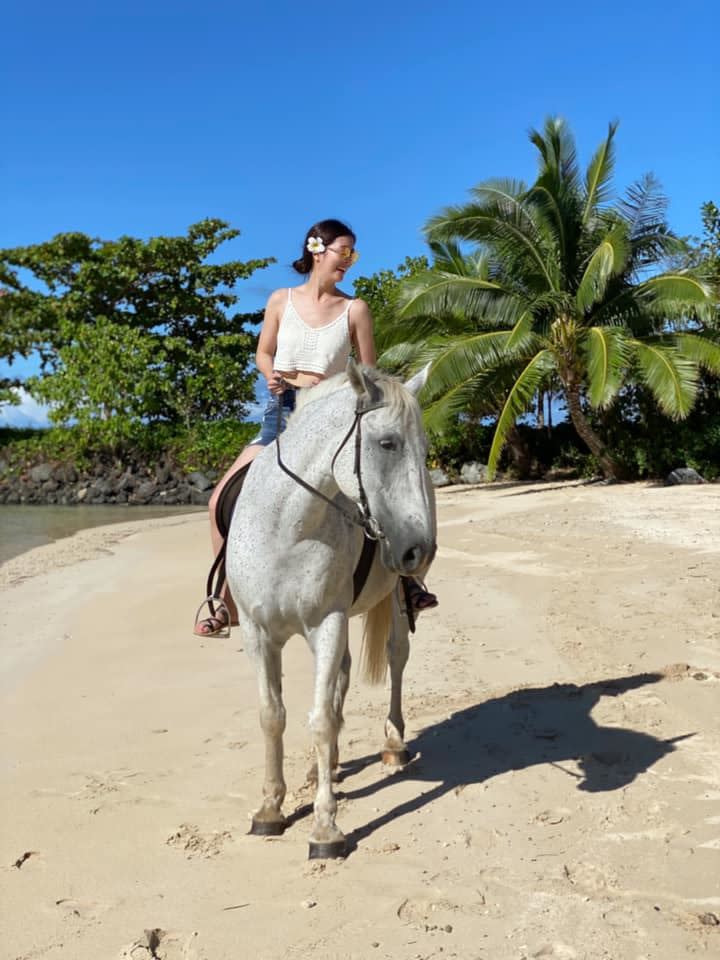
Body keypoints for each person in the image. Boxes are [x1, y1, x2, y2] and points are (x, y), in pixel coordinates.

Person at [193, 218, 437, 636]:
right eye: (345, 251)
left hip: (332, 419)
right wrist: (272, 375)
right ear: (317, 249)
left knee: (375, 495)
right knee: (220, 499)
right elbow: (263, 353)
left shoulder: (355, 309)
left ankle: (405, 585)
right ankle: (224, 600)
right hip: (280, 412)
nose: (351, 260)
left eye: (353, 254)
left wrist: (331, 387)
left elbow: (370, 374)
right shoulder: (279, 301)